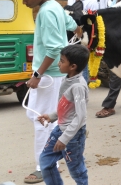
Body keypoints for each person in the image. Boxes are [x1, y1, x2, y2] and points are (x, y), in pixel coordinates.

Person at [15, 0, 80, 185]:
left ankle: (44, 166)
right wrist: (79, 31)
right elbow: (71, 23)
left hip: (49, 76)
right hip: (54, 75)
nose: (25, 3)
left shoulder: (46, 12)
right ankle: (54, 158)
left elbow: (53, 49)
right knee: (47, 118)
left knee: (42, 120)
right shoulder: (55, 7)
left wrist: (37, 75)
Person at [38, 44, 89, 185]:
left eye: (61, 61)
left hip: (73, 136)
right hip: (61, 129)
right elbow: (67, 108)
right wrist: (52, 116)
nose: (58, 63)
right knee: (45, 161)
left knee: (76, 170)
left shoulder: (78, 86)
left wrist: (65, 138)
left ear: (72, 66)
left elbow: (80, 116)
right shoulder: (67, 79)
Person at [66, 0, 98, 83]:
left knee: (81, 65)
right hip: (69, 37)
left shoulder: (91, 1)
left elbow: (91, 23)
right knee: (70, 65)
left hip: (83, 39)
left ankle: (82, 94)